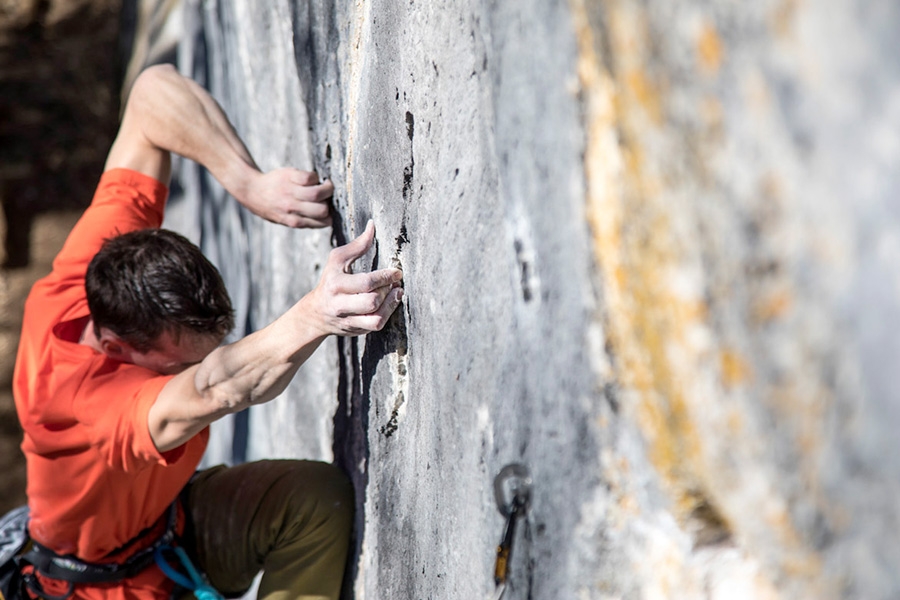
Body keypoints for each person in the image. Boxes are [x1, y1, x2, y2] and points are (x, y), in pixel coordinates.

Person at [12, 63, 403, 600]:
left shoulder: (100, 271)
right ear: (116, 348)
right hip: (100, 588)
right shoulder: (88, 401)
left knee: (311, 500)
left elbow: (152, 95)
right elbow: (216, 387)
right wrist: (315, 314)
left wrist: (246, 181)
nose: (195, 364)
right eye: (178, 362)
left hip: (165, 531)